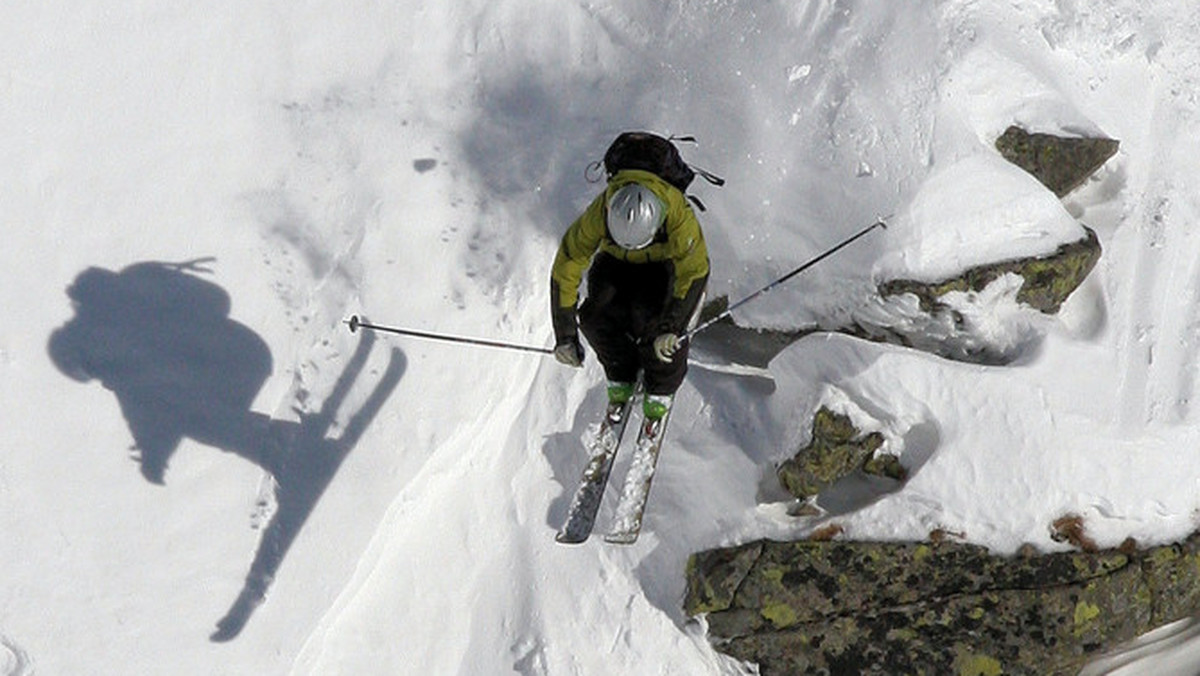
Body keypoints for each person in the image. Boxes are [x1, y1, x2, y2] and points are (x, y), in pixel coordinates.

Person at [549, 167, 709, 420]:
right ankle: (620, 368)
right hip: (614, 261)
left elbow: (695, 272)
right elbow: (568, 263)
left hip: (661, 265)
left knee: (654, 320)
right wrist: (565, 334)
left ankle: (661, 384)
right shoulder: (600, 211)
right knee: (594, 316)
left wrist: (673, 326)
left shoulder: (678, 214)